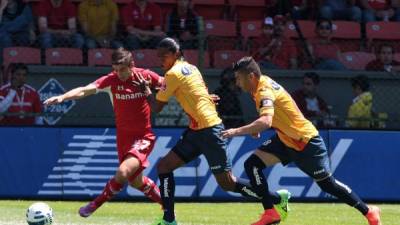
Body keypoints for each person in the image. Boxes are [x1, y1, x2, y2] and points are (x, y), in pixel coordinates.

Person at [136, 38, 289, 225]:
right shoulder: (192, 68)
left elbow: (157, 108)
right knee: (164, 167)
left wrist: (145, 90)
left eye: (164, 56)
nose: (161, 60)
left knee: (227, 183)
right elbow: (196, 92)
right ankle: (169, 219)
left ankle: (276, 199)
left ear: (176, 54)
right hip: (196, 131)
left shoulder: (173, 74)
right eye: (158, 56)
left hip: (209, 131)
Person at [221, 56, 381, 225]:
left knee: (328, 185)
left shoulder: (263, 90)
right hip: (285, 139)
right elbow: (272, 116)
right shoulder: (260, 84)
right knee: (252, 165)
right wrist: (256, 127)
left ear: (251, 76)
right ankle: (270, 212)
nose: (237, 82)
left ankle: (369, 211)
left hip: (305, 142)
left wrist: (236, 131)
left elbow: (266, 121)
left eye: (238, 78)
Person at [43, 47, 163, 217]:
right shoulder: (111, 80)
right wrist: (63, 97)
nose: (119, 73)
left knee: (123, 172)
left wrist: (198, 96)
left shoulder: (145, 76)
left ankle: (95, 204)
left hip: (144, 136)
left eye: (122, 69)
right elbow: (85, 90)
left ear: (132, 65)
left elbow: (170, 85)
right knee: (136, 182)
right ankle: (167, 205)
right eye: (115, 70)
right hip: (123, 138)